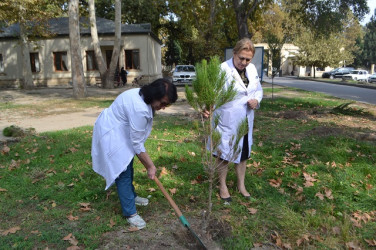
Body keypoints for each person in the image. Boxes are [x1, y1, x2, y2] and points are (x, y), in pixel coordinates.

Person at [91, 78, 178, 229]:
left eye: (167, 104)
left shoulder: (143, 96)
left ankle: (131, 196)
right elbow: (137, 143)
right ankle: (130, 213)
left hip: (121, 131)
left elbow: (136, 142)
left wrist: (147, 163)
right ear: (153, 95)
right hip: (112, 133)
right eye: (163, 103)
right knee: (123, 172)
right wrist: (150, 166)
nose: (163, 107)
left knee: (128, 164)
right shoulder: (139, 108)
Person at [213, 38, 263, 204]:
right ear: (234, 54)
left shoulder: (252, 69)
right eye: (241, 58)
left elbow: (258, 89)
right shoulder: (222, 69)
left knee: (243, 154)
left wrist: (256, 100)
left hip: (246, 119)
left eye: (248, 59)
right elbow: (213, 94)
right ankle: (223, 186)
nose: (244, 62)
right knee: (224, 154)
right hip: (227, 119)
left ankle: (241, 186)